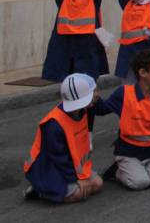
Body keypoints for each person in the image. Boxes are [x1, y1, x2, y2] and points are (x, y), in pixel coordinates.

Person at [93, 49, 150, 190]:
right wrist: (94, 98)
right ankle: (118, 171)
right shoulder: (124, 94)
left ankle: (145, 167)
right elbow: (102, 110)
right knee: (140, 183)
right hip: (129, 152)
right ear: (143, 73)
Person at [23, 73, 103, 203]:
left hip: (68, 165)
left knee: (97, 184)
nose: (97, 94)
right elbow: (59, 158)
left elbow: (105, 107)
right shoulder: (54, 124)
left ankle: (52, 188)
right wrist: (77, 179)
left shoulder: (82, 110)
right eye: (93, 91)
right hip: (46, 168)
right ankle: (39, 191)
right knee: (78, 194)